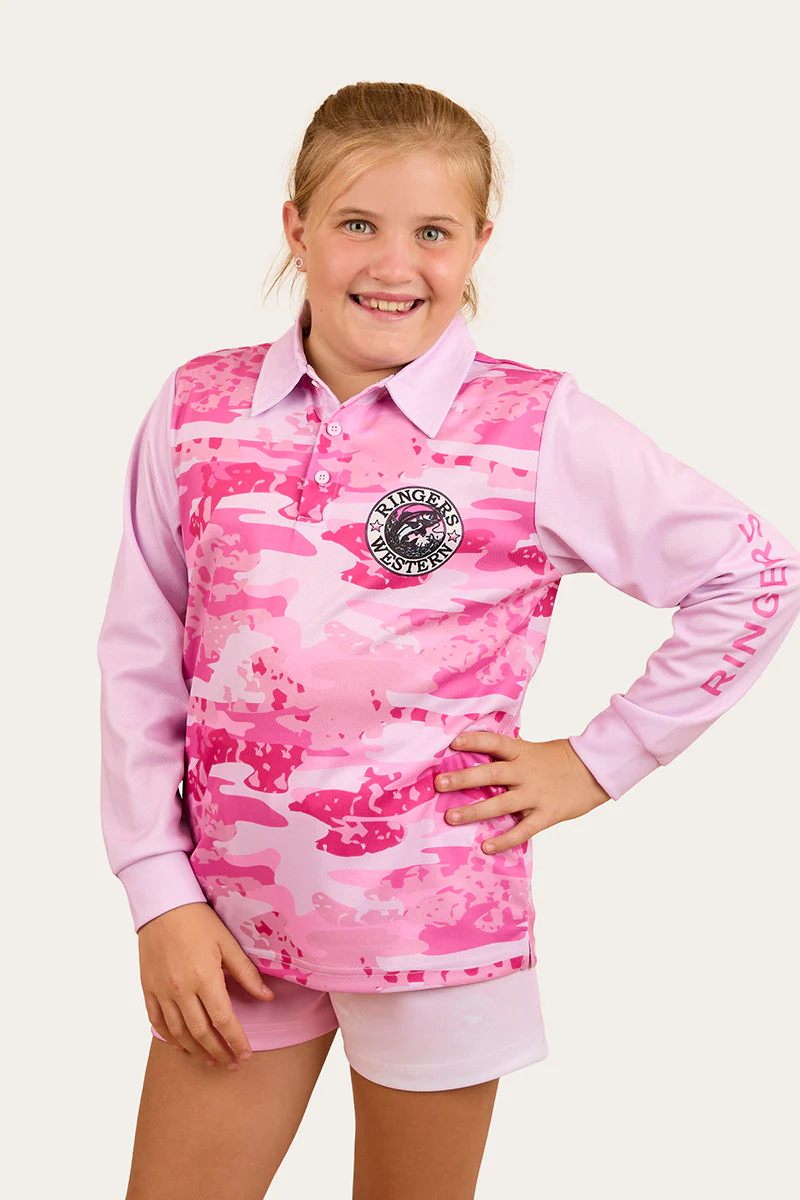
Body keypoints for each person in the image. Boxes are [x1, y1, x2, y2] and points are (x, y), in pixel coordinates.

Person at [96, 80, 800, 1200]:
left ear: (477, 244)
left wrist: (598, 761)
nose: (394, 264)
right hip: (225, 924)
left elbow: (752, 571)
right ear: (296, 229)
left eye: (432, 231)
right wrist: (158, 890)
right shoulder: (198, 409)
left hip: (433, 925)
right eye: (357, 223)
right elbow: (141, 658)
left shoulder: (533, 424)